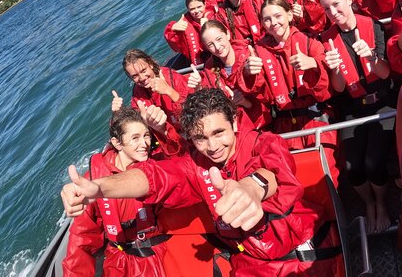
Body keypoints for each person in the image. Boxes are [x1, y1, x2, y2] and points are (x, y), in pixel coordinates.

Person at [62, 89, 341, 276]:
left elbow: (277, 173)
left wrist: (252, 188)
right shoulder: (195, 166)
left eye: (218, 132)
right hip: (252, 264)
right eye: (200, 138)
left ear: (233, 122)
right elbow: (155, 177)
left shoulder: (263, 142)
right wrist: (100, 187)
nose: (213, 146)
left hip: (310, 253)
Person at [319, 0, 396, 234]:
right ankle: (369, 202)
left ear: (349, 0)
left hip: (383, 105)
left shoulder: (373, 26)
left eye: (336, 5)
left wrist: (371, 56)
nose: (333, 13)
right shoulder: (327, 40)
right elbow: (339, 89)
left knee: (373, 163)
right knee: (352, 168)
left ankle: (382, 204)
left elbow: (385, 74)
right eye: (327, 9)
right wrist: (333, 68)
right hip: (353, 109)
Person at [62, 108, 168, 277]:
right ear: (117, 143)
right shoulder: (93, 182)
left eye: (146, 135)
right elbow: (81, 240)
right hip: (121, 261)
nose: (145, 144)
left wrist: (163, 130)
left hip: (164, 249)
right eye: (135, 138)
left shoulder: (158, 162)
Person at [237, 0, 336, 155]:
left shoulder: (311, 43)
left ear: (289, 15)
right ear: (262, 23)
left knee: (324, 164)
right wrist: (248, 73)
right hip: (283, 123)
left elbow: (328, 89)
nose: (273, 23)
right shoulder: (258, 52)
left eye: (278, 16)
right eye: (267, 19)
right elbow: (261, 95)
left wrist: (315, 65)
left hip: (316, 118)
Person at [198, 20, 269, 129]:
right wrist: (198, 86)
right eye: (210, 45)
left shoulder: (250, 56)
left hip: (263, 120)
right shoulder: (209, 69)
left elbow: (266, 97)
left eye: (219, 39)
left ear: (227, 34)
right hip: (235, 127)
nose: (217, 47)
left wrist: (244, 101)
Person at [115, 49, 194, 130]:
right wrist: (118, 113)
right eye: (135, 76)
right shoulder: (138, 92)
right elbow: (135, 123)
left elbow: (192, 108)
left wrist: (168, 90)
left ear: (151, 64)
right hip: (165, 134)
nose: (142, 78)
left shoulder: (172, 77)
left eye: (143, 70)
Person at [163, 0, 213, 66]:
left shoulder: (214, 15)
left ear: (205, 4)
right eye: (192, 9)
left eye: (199, 7)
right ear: (188, 9)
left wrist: (210, 25)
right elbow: (176, 47)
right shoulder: (184, 24)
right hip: (198, 61)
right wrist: (172, 29)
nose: (196, 11)